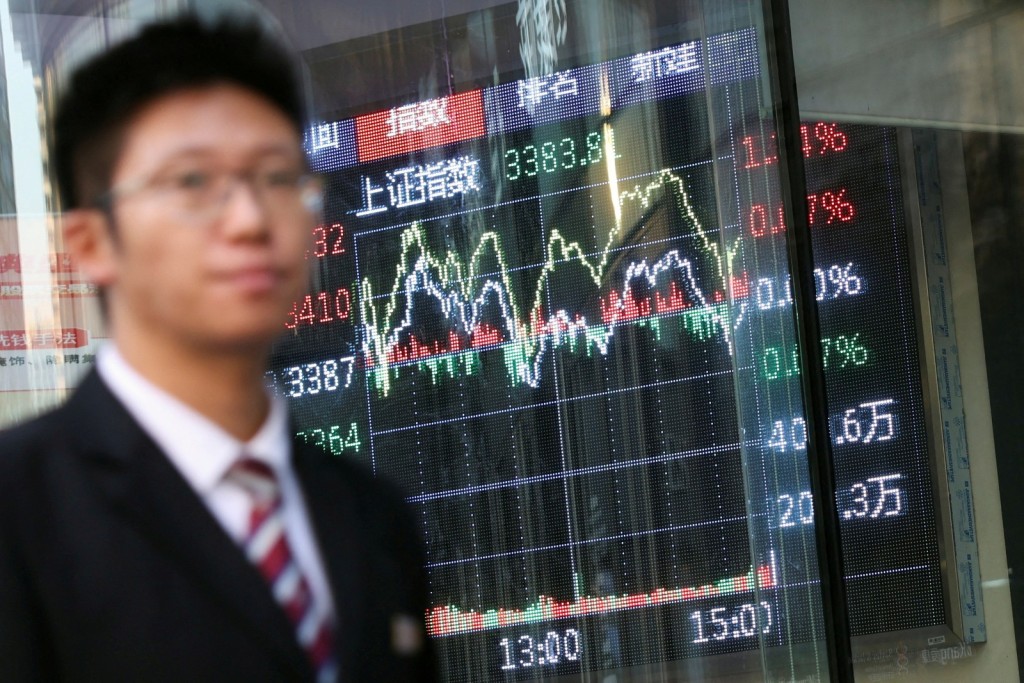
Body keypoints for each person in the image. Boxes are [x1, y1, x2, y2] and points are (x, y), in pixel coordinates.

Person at [0, 15, 436, 683]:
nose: (250, 220)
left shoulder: (371, 514)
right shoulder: (22, 513)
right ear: (90, 242)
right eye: (193, 183)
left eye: (277, 177)